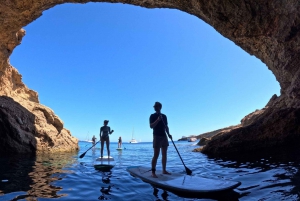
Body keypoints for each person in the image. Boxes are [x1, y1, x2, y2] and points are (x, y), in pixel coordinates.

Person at [149, 102, 172, 178]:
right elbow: (151, 126)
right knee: (156, 154)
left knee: (164, 154)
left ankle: (164, 170)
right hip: (156, 136)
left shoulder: (164, 116)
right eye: (154, 106)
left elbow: (166, 126)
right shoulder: (152, 116)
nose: (154, 107)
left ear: (160, 107)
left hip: (164, 136)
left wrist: (169, 134)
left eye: (156, 106)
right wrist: (158, 120)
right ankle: (153, 172)